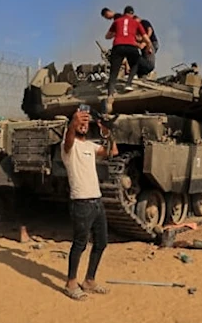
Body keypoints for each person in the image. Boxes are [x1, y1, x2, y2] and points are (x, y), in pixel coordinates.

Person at [61, 108, 118, 301]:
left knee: (101, 242)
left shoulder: (90, 146)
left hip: (97, 201)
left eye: (85, 124)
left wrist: (108, 132)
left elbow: (113, 152)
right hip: (81, 202)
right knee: (79, 244)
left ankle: (89, 280)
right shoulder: (68, 146)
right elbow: (68, 138)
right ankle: (70, 283)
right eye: (80, 123)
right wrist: (73, 122)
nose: (83, 126)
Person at [103, 6, 153, 113]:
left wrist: (117, 33)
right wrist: (147, 46)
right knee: (135, 63)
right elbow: (146, 38)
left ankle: (110, 95)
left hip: (118, 46)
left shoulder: (117, 21)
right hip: (131, 46)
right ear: (132, 14)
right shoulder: (136, 23)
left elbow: (107, 36)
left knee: (114, 71)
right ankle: (129, 84)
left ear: (124, 13)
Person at [0, 155, 30, 249]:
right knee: (17, 208)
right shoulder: (21, 158)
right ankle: (24, 235)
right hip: (7, 184)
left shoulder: (8, 159)